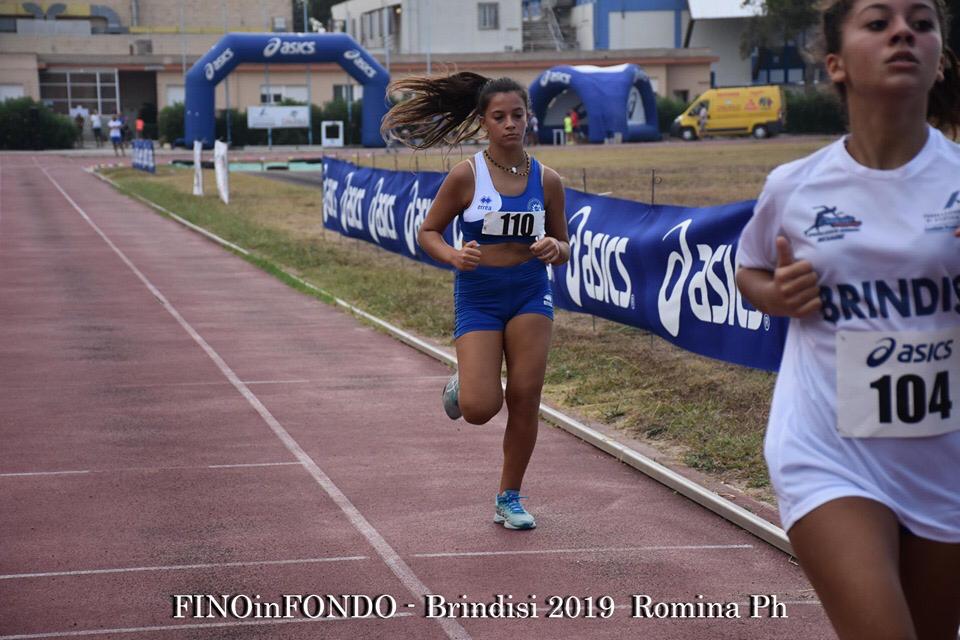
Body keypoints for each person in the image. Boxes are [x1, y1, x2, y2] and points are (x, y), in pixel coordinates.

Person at [735, 1, 960, 638]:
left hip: (943, 455)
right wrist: (778, 295)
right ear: (836, 64)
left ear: (940, 61)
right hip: (828, 451)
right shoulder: (794, 186)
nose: (903, 33)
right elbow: (749, 271)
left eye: (921, 23)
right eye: (879, 22)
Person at [381, 72, 570, 530]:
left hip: (530, 291)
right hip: (479, 294)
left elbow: (564, 244)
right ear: (484, 122)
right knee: (481, 408)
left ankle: (509, 498)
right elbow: (429, 231)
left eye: (517, 115)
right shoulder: (467, 175)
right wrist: (453, 255)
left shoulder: (548, 180)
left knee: (525, 396)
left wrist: (554, 248)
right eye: (499, 117)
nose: (510, 124)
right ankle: (463, 384)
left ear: (529, 117)